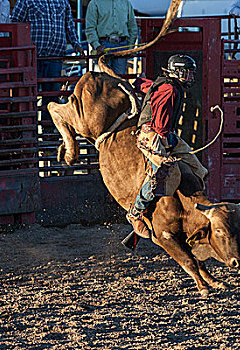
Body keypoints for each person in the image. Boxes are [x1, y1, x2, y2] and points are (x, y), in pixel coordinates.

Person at [127, 54, 208, 239]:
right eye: (187, 73)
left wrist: (138, 82)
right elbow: (160, 124)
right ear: (177, 72)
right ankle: (135, 212)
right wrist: (164, 150)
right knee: (160, 171)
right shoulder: (170, 90)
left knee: (197, 167)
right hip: (152, 134)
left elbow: (145, 86)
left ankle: (196, 203)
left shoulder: (166, 85)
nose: (190, 77)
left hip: (164, 133)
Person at [11, 0, 84, 132]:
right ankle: (29, 132)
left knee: (52, 98)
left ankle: (48, 133)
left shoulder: (62, 2)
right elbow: (16, 22)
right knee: (30, 96)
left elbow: (69, 25)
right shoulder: (27, 1)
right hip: (32, 57)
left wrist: (76, 44)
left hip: (55, 56)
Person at [85, 0, 137, 75]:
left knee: (118, 80)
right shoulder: (95, 3)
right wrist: (97, 46)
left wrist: (130, 47)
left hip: (121, 46)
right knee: (105, 81)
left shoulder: (126, 3)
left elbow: (132, 26)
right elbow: (90, 28)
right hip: (103, 47)